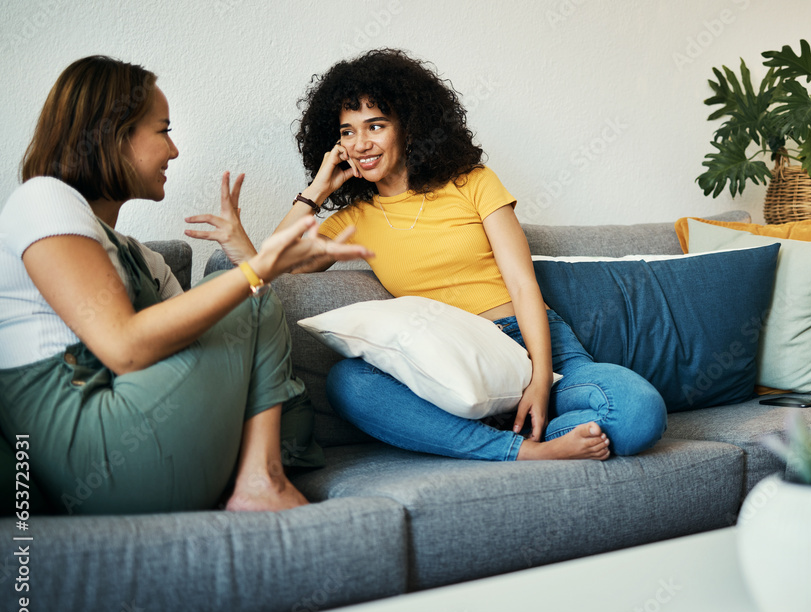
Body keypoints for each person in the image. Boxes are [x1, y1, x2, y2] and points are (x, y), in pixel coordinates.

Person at [212, 49, 667, 462]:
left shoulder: (472, 182)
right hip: (450, 365)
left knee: (637, 412)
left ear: (408, 128)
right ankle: (520, 450)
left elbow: (524, 284)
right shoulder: (356, 217)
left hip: (535, 347)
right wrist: (316, 191)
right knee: (349, 384)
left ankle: (528, 428)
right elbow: (271, 264)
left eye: (376, 126)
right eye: (347, 132)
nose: (361, 143)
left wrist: (539, 382)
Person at [0, 55, 371, 515]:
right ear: (111, 134)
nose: (174, 151)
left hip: (142, 435)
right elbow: (123, 347)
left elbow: (235, 347)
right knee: (247, 294)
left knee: (253, 301)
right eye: (163, 130)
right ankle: (260, 480)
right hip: (87, 448)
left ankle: (257, 477)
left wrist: (253, 266)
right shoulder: (44, 199)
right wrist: (254, 272)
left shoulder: (143, 259)